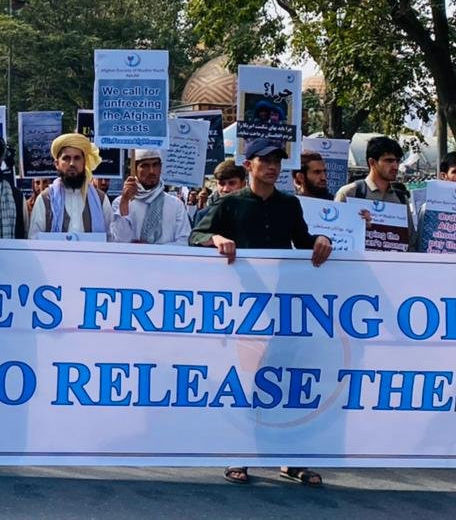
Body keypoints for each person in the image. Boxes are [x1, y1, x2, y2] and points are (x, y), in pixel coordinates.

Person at [190, 138, 332, 488]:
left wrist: (320, 240)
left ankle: (290, 459)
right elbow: (195, 235)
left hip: (283, 305)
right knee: (246, 380)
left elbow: (302, 240)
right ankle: (239, 453)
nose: (272, 167)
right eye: (265, 160)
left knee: (285, 380)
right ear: (248, 164)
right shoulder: (229, 203)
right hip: (244, 308)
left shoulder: (289, 204)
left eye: (277, 162)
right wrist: (215, 240)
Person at [334, 135, 415, 249]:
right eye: (389, 161)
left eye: (397, 161)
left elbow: (410, 242)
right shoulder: (350, 193)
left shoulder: (401, 199)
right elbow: (335, 236)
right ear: (372, 162)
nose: (395, 166)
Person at [28, 133, 113, 240]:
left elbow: (110, 239)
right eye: (66, 158)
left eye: (77, 158)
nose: (72, 163)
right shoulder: (45, 199)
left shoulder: (101, 199)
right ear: (57, 164)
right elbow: (34, 239)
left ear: (84, 162)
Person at [110, 149, 190, 245]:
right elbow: (120, 241)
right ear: (135, 169)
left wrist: (152, 249)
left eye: (155, 165)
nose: (152, 171)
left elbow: (184, 242)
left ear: (161, 168)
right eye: (145, 166)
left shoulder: (176, 205)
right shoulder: (120, 203)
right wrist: (124, 202)